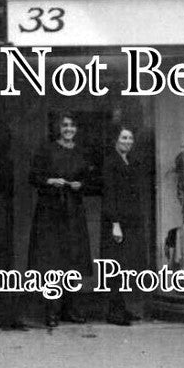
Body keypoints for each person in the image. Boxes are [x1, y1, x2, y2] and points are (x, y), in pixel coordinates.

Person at [28, 112, 94, 327]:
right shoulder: (47, 150)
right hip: (51, 211)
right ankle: (52, 311)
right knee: (52, 261)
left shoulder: (82, 152)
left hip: (73, 211)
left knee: (73, 259)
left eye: (72, 126)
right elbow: (33, 177)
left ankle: (70, 309)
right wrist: (50, 180)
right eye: (65, 125)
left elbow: (91, 179)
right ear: (59, 128)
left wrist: (81, 185)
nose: (68, 129)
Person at [101, 126, 147, 326]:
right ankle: (114, 312)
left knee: (127, 265)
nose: (127, 141)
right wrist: (115, 224)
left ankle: (123, 307)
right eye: (123, 137)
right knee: (115, 266)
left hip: (131, 222)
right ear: (115, 140)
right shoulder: (110, 162)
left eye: (130, 138)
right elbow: (110, 194)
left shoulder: (132, 161)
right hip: (116, 222)